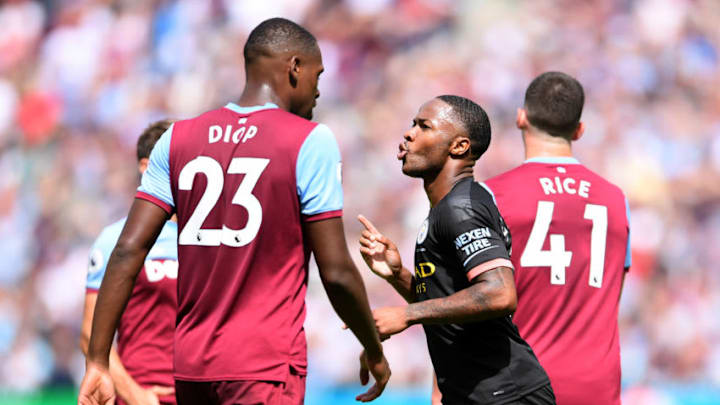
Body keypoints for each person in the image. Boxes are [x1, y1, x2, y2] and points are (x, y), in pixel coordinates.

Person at [78, 17, 390, 405]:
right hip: (264, 367)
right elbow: (337, 271)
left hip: (190, 369)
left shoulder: (177, 139)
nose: (318, 90)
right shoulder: (310, 141)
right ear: (294, 67)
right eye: (317, 75)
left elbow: (127, 250)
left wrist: (97, 363)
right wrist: (373, 348)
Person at [357, 95, 554, 404]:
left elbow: (500, 293)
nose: (409, 133)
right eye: (412, 124)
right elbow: (446, 304)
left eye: (424, 126)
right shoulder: (446, 210)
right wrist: (398, 275)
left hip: (506, 394)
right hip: (479, 394)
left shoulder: (462, 207)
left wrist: (407, 315)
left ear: (459, 146)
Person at [482, 72, 631, 405]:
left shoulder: (491, 196)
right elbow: (611, 297)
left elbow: (473, 303)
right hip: (596, 388)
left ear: (521, 118)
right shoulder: (615, 201)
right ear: (579, 130)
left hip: (518, 386)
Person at [80, 120, 178, 405]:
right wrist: (137, 396)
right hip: (143, 393)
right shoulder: (116, 240)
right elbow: (89, 334)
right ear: (146, 167)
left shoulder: (205, 240)